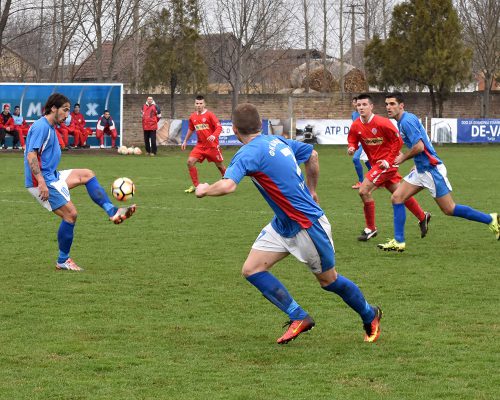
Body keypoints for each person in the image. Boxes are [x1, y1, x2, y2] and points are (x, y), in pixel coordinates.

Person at [195, 103, 383, 344]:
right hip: (283, 224)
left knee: (329, 281)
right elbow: (312, 155)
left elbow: (228, 185)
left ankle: (370, 314)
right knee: (252, 269)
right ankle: (298, 317)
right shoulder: (277, 140)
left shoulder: (247, 152)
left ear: (235, 130)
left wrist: (204, 190)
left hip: (307, 226)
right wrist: (312, 190)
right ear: (260, 124)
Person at [24, 93, 136, 271]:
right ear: (53, 108)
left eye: (69, 110)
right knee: (71, 215)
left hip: (52, 176)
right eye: (65, 110)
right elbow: (31, 156)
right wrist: (41, 182)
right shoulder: (41, 126)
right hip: (42, 181)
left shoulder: (50, 126)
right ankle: (63, 260)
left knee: (87, 174)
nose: (67, 115)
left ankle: (112, 211)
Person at [377, 92, 499, 251]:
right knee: (397, 197)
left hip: (431, 171)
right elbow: (422, 145)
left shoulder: (406, 121)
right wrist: (416, 163)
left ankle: (491, 219)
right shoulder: (404, 120)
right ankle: (399, 241)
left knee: (449, 209)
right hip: (422, 169)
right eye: (386, 104)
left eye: (392, 104)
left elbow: (419, 146)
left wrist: (403, 158)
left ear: (401, 105)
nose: (388, 107)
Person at [347, 93, 430, 241]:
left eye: (364, 104)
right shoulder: (356, 125)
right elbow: (352, 138)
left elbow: (398, 141)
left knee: (364, 190)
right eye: (359, 105)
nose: (361, 107)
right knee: (399, 193)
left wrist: (389, 160)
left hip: (386, 165)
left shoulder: (382, 123)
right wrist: (352, 147)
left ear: (371, 106)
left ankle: (371, 228)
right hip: (376, 164)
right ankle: (422, 216)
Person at [181, 95, 226, 193]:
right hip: (200, 146)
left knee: (220, 166)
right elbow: (191, 129)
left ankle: (228, 181)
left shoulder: (210, 115)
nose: (199, 105)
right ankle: (197, 186)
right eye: (197, 103)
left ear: (204, 104)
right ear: (194, 104)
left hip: (212, 146)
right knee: (190, 162)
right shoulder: (193, 116)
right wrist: (185, 141)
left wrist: (214, 135)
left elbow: (219, 127)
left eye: (201, 103)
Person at [350, 96, 371, 189]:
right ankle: (378, 179)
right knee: (367, 161)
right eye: (354, 103)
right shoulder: (354, 114)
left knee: (355, 159)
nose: (355, 104)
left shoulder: (364, 114)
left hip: (365, 140)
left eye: (357, 103)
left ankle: (361, 182)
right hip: (359, 141)